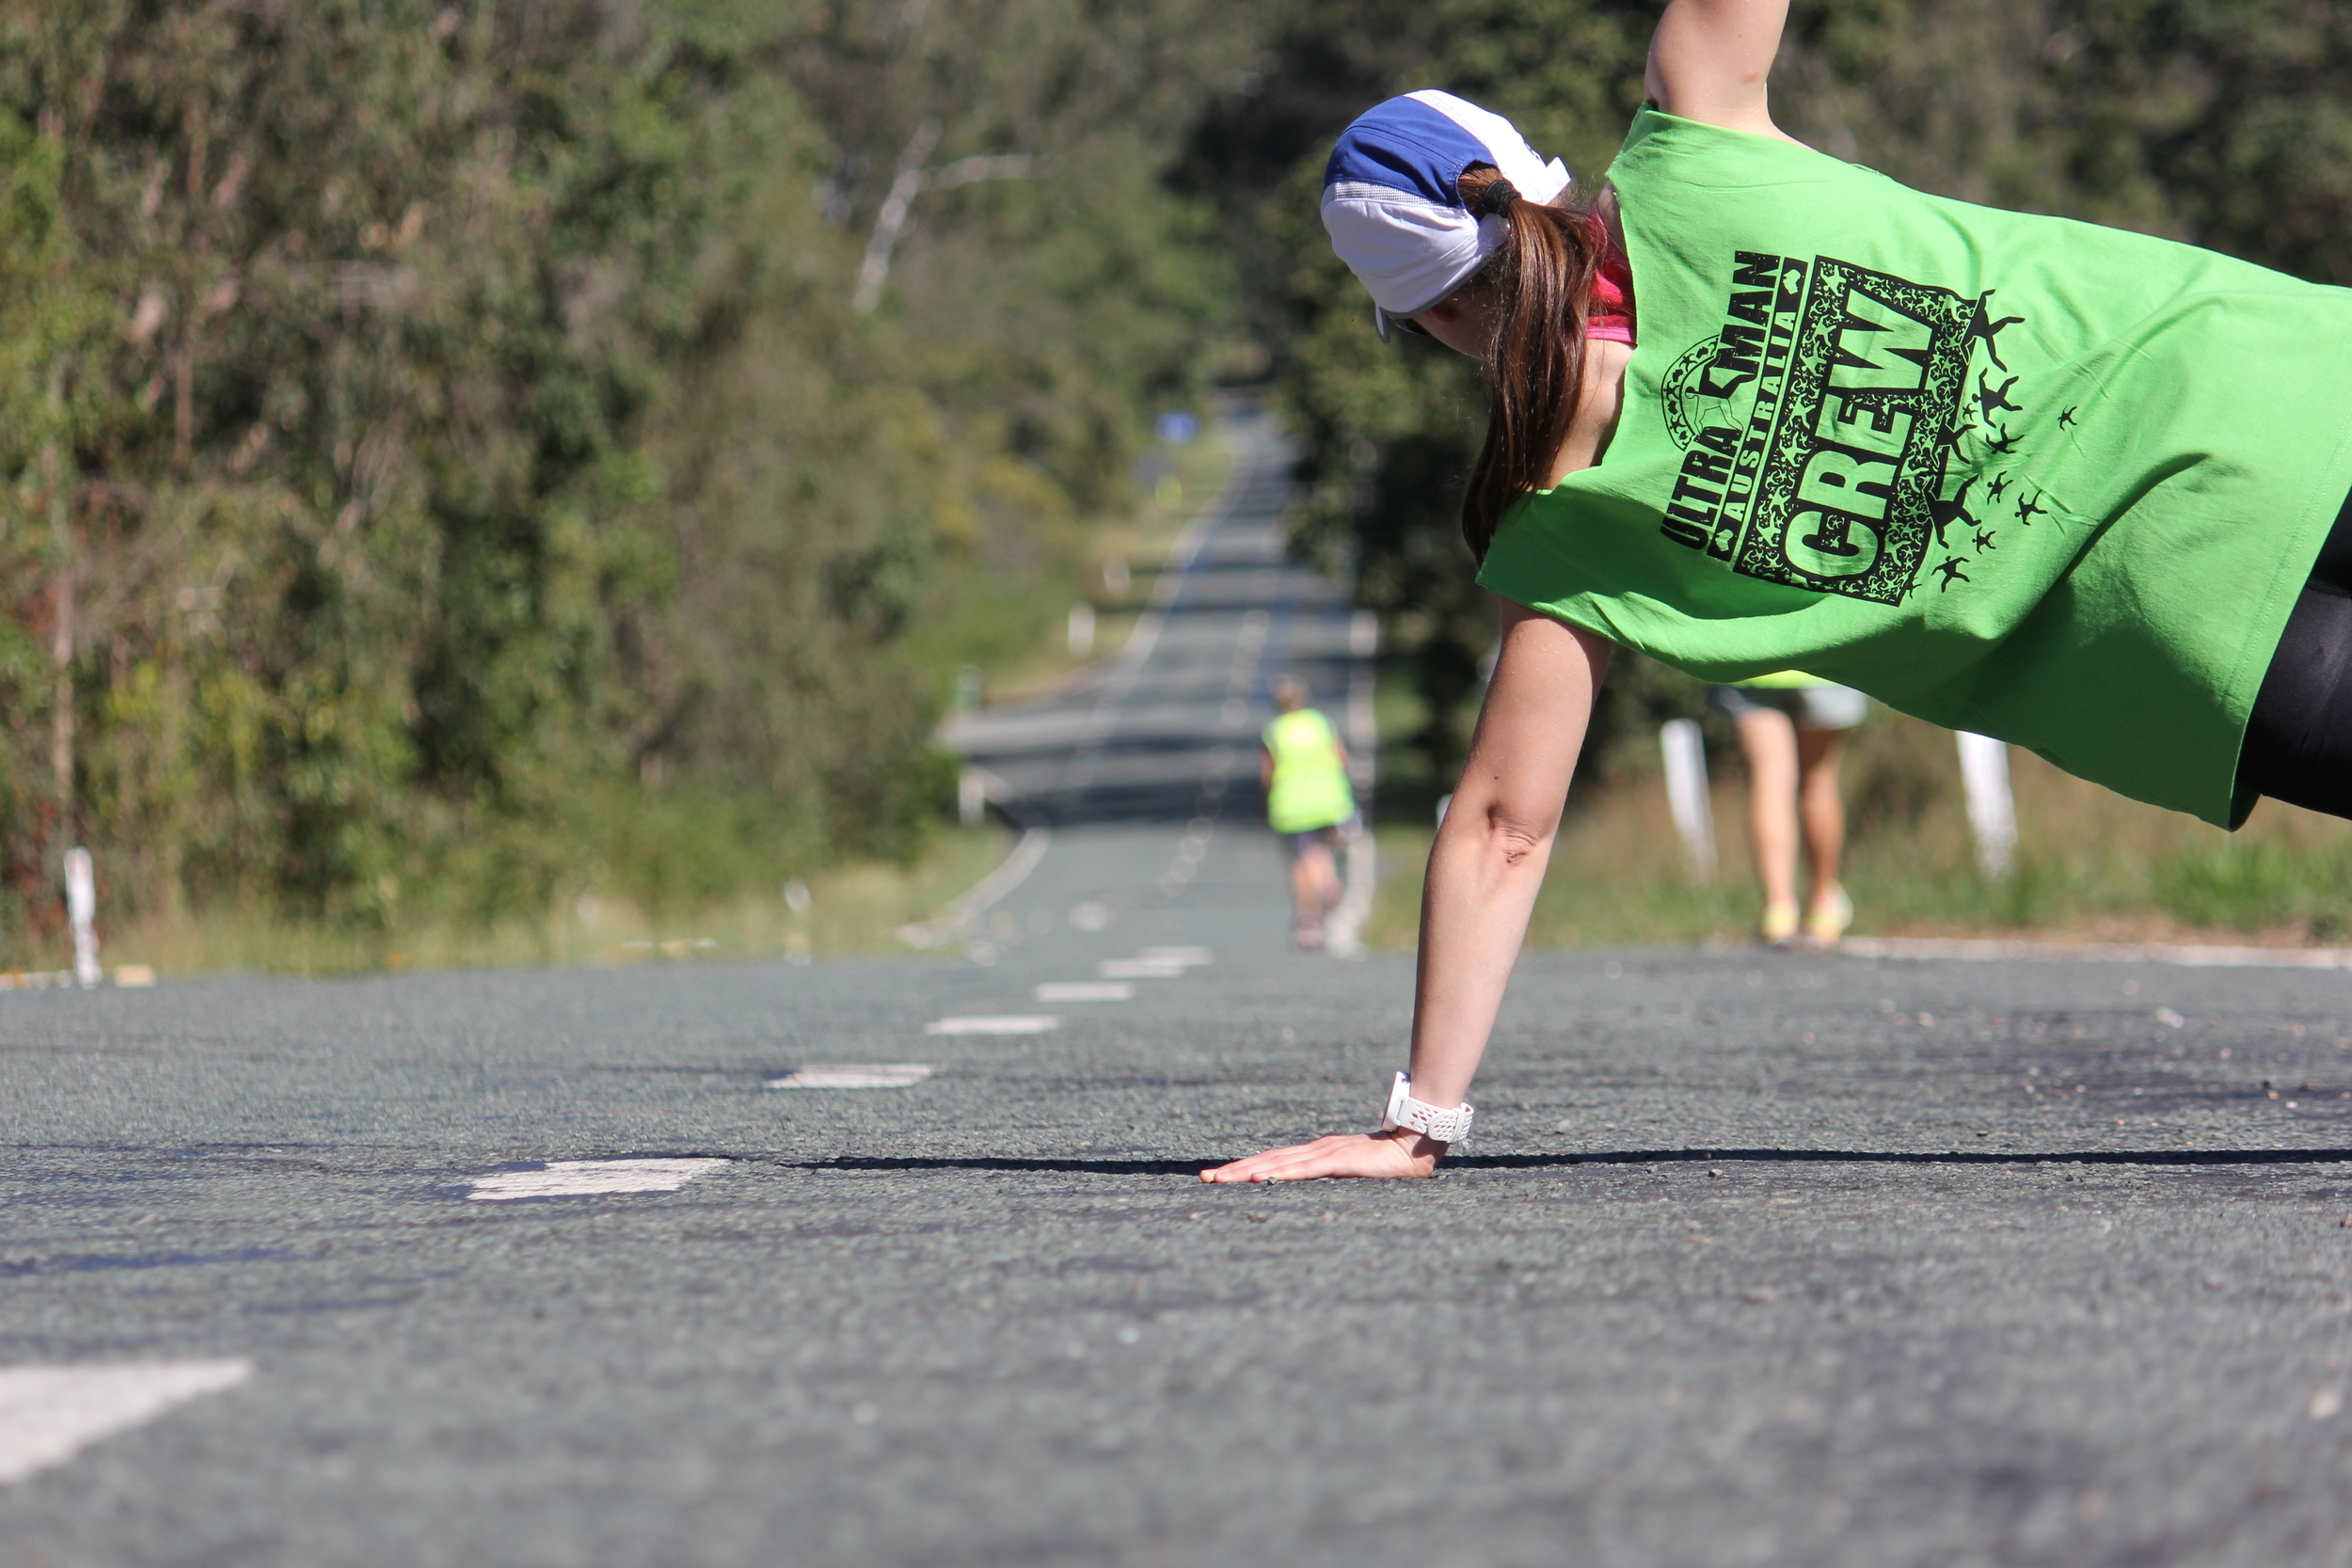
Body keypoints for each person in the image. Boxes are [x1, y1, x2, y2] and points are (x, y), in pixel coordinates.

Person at [1204, 0, 2352, 1182]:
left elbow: (1502, 827)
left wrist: (1417, 1125)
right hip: (2288, 388)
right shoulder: (1694, 132)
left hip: (2201, 634)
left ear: (1433, 315)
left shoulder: (1560, 528)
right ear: (1533, 179)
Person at [1707, 673, 1866, 946]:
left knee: (1770, 776)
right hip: (1823, 657)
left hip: (1754, 656)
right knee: (1819, 780)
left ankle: (1778, 908)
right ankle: (1823, 903)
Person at [1261, 676, 1359, 950]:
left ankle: (1308, 921)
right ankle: (1327, 883)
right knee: (1319, 850)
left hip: (1292, 805)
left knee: (1300, 861)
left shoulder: (1275, 731)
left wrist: (1264, 801)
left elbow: (1267, 775)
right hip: (1329, 799)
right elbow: (1342, 759)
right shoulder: (1321, 723)